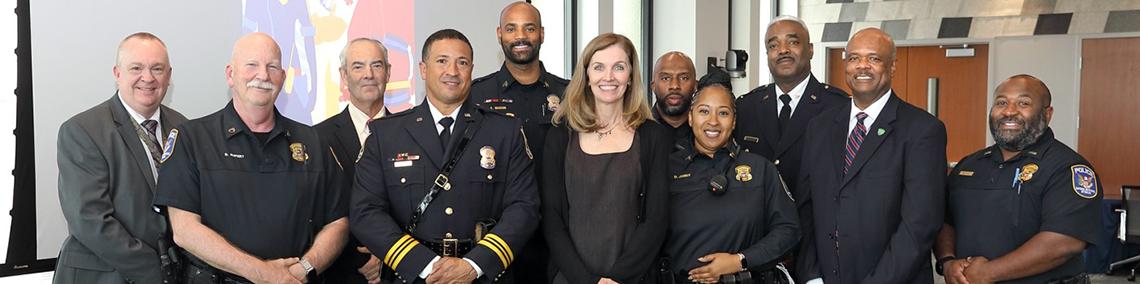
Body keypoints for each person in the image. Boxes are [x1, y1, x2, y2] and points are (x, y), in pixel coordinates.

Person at [154, 33, 349, 283]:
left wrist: (303, 270)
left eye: (272, 67)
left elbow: (339, 222)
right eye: (252, 65)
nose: (263, 75)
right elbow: (184, 231)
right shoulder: (191, 139)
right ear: (230, 74)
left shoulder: (314, 141)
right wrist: (264, 274)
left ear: (282, 77)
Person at [350, 29, 540, 284]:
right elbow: (366, 212)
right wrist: (426, 266)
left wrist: (474, 265)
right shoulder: (385, 134)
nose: (452, 71)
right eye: (442, 61)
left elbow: (524, 208)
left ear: (471, 70)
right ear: (423, 69)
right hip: (413, 276)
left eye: (462, 63)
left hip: (483, 276)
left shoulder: (505, 132)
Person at [796, 27, 947, 283]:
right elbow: (808, 208)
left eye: (874, 58)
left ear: (892, 67)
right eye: (854, 58)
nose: (862, 66)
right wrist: (812, 275)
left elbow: (919, 226)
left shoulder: (922, 130)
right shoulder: (819, 127)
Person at [934, 75, 1102, 284]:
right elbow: (944, 221)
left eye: (1023, 103)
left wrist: (990, 272)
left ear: (1047, 114)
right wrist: (947, 261)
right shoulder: (968, 165)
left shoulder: (1067, 168)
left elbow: (1064, 242)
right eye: (1001, 102)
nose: (1009, 111)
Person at [54, 32, 189, 284]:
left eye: (157, 68)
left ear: (169, 76)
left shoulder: (184, 127)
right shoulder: (82, 130)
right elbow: (90, 219)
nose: (147, 78)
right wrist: (157, 272)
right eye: (136, 68)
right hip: (104, 275)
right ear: (117, 74)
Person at [543, 33, 672, 284]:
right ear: (586, 74)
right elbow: (552, 219)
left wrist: (617, 278)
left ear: (631, 75)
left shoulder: (653, 136)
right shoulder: (560, 136)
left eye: (619, 67)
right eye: (599, 67)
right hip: (571, 277)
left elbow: (656, 220)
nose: (609, 77)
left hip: (633, 277)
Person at [663, 72, 799, 284]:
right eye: (704, 111)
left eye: (723, 113)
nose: (713, 122)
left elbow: (789, 230)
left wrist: (740, 261)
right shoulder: (666, 169)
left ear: (734, 122)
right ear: (690, 118)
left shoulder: (760, 169)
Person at [470, 3, 568, 281]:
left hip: (558, 232)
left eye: (529, 27)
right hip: (497, 233)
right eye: (511, 28)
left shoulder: (570, 94)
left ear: (542, 34)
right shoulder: (476, 95)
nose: (520, 36)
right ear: (500, 34)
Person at [734, 15, 848, 202]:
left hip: (813, 226)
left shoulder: (838, 107)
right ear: (767, 55)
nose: (783, 50)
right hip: (759, 226)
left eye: (793, 42)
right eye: (773, 46)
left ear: (810, 50)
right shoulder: (746, 107)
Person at [315, 37, 391, 284]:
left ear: (388, 73)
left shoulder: (413, 133)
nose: (368, 74)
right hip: (336, 273)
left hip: (398, 270)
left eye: (377, 65)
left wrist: (388, 255)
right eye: (358, 66)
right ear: (344, 75)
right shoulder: (316, 137)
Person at [650, 51, 698, 142]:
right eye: (666, 78)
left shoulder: (706, 130)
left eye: (683, 78)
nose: (675, 86)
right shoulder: (636, 130)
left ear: (695, 85)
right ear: (653, 86)